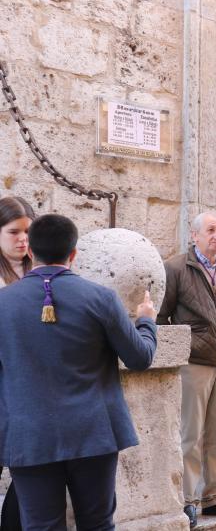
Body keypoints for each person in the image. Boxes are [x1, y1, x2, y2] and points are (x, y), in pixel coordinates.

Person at [0, 214, 157, 529]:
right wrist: (147, 321)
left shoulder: (3, 303)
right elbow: (140, 358)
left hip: (29, 435)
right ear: (73, 254)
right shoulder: (101, 298)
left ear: (30, 251)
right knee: (97, 523)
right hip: (94, 433)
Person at [157, 212, 216, 527]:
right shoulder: (176, 268)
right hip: (194, 364)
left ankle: (215, 496)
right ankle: (189, 500)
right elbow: (161, 316)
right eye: (210, 230)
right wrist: (186, 346)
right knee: (191, 435)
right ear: (194, 235)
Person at [0, 196, 35, 531]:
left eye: (28, 232)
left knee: (29, 475)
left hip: (30, 388)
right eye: (14, 232)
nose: (23, 239)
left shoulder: (39, 272)